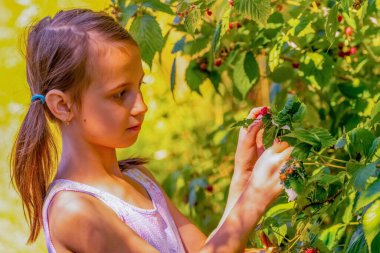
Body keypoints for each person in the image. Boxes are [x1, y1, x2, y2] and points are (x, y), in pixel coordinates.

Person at [10, 9, 293, 253]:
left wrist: (242, 178)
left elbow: (210, 248)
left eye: (139, 87)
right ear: (62, 106)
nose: (142, 106)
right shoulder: (74, 210)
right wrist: (252, 200)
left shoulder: (138, 178)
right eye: (120, 94)